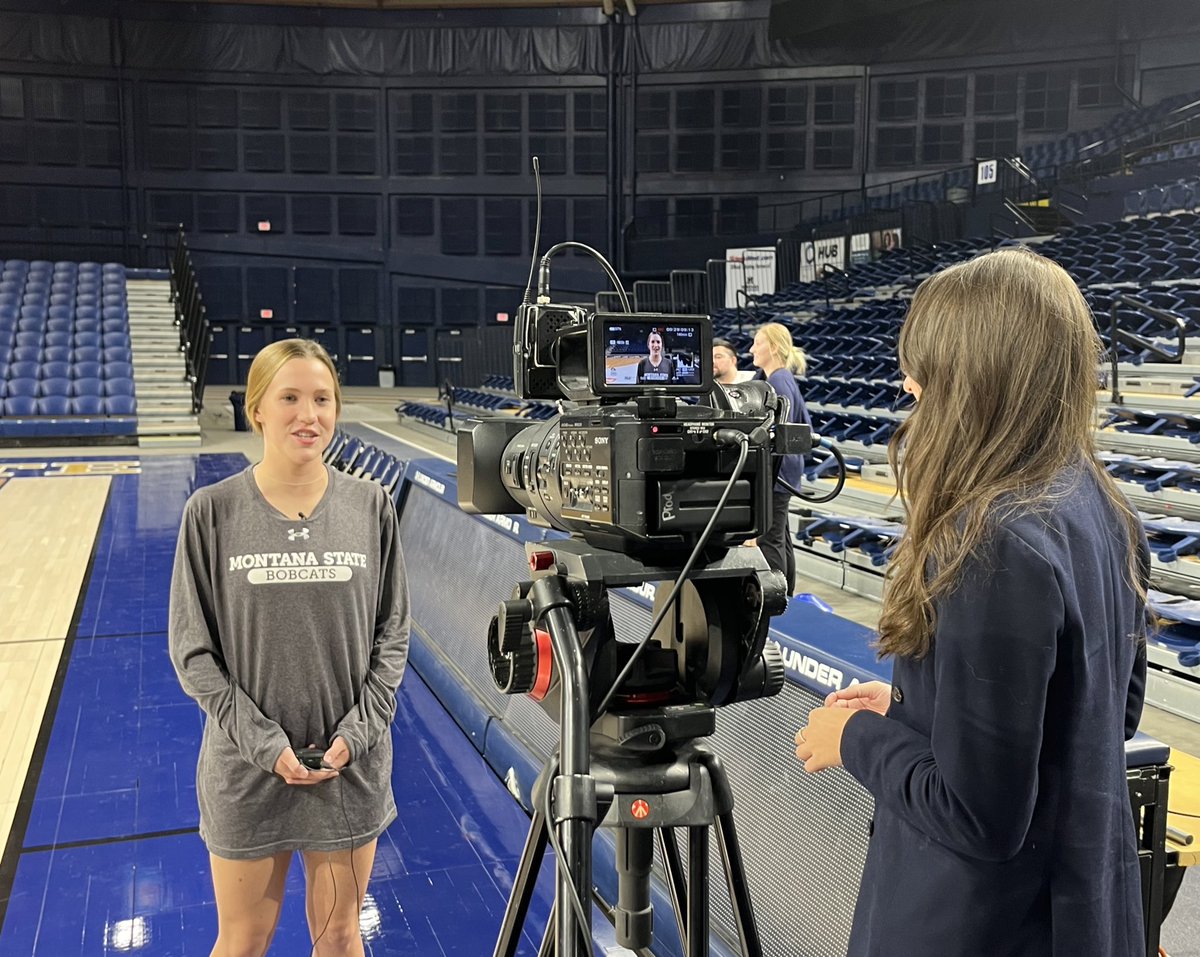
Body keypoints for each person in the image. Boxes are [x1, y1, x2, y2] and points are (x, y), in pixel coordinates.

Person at [793, 248, 1148, 957]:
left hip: (981, 926)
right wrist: (916, 711)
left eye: (924, 365)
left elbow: (978, 817)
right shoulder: (1105, 509)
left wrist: (856, 740)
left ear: (974, 378)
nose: (908, 382)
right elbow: (1103, 711)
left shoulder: (992, 540)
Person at [169, 338, 410, 957]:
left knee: (340, 934)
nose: (310, 415)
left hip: (345, 766)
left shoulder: (371, 505)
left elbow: (392, 634)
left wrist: (357, 735)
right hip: (247, 770)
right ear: (258, 410)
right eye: (291, 398)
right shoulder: (212, 513)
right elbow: (193, 653)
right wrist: (262, 742)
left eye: (323, 399)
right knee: (245, 939)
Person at [749, 322, 810, 595]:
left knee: (770, 538)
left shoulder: (777, 382)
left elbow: (776, 429)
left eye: (757, 343)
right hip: (784, 472)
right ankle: (787, 592)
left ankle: (775, 596)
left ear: (772, 347)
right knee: (780, 535)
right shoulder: (780, 378)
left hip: (777, 473)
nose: (752, 348)